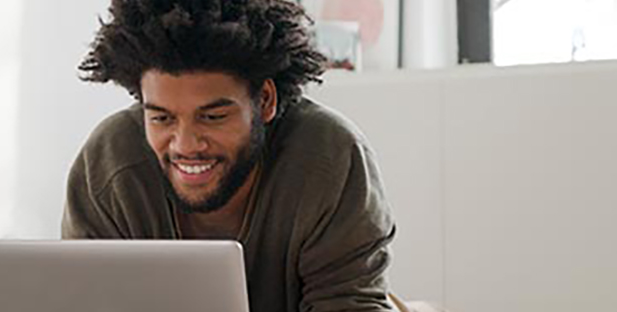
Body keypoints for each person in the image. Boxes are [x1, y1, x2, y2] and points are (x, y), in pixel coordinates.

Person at [62, 1, 402, 312]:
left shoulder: (329, 159)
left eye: (212, 117)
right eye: (161, 118)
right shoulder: (109, 166)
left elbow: (350, 305)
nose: (185, 144)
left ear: (265, 101)